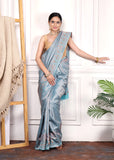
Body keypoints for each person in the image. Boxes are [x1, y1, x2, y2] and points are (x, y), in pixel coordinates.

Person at [35, 12, 109, 151]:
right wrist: (48, 73)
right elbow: (38, 58)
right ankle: (46, 139)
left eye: (58, 22)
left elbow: (78, 51)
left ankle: (56, 140)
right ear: (48, 23)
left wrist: (96, 58)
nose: (55, 25)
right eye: (52, 22)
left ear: (60, 24)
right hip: (46, 77)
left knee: (54, 104)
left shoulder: (65, 37)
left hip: (61, 77)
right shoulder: (43, 38)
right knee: (47, 106)